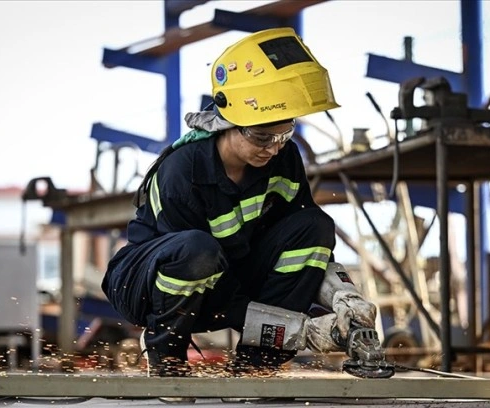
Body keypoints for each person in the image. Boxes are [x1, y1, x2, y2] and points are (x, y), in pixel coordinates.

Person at [101, 27, 378, 381]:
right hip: (152, 287)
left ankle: (255, 368)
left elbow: (305, 243)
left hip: (232, 270)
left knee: (316, 224)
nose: (273, 148)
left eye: (284, 135)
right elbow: (202, 281)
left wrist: (343, 294)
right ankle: (167, 360)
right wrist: (301, 329)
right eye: (262, 137)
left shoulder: (283, 158)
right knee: (197, 250)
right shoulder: (182, 171)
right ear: (227, 123)